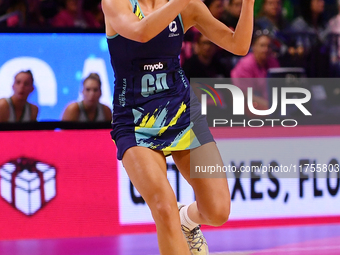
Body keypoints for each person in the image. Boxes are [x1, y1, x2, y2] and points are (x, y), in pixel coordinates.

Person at [102, 0, 254, 254]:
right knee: (163, 208)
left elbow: (238, 45)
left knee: (217, 211)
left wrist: (249, 3)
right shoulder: (117, 2)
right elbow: (142, 32)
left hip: (182, 114)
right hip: (135, 120)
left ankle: (188, 220)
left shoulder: (188, 7)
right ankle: (176, 219)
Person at [231, 30, 280, 112]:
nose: (266, 49)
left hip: (270, 102)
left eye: (269, 46)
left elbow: (278, 87)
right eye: (262, 46)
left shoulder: (273, 61)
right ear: (254, 46)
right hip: (248, 104)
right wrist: (270, 105)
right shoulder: (246, 65)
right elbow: (246, 94)